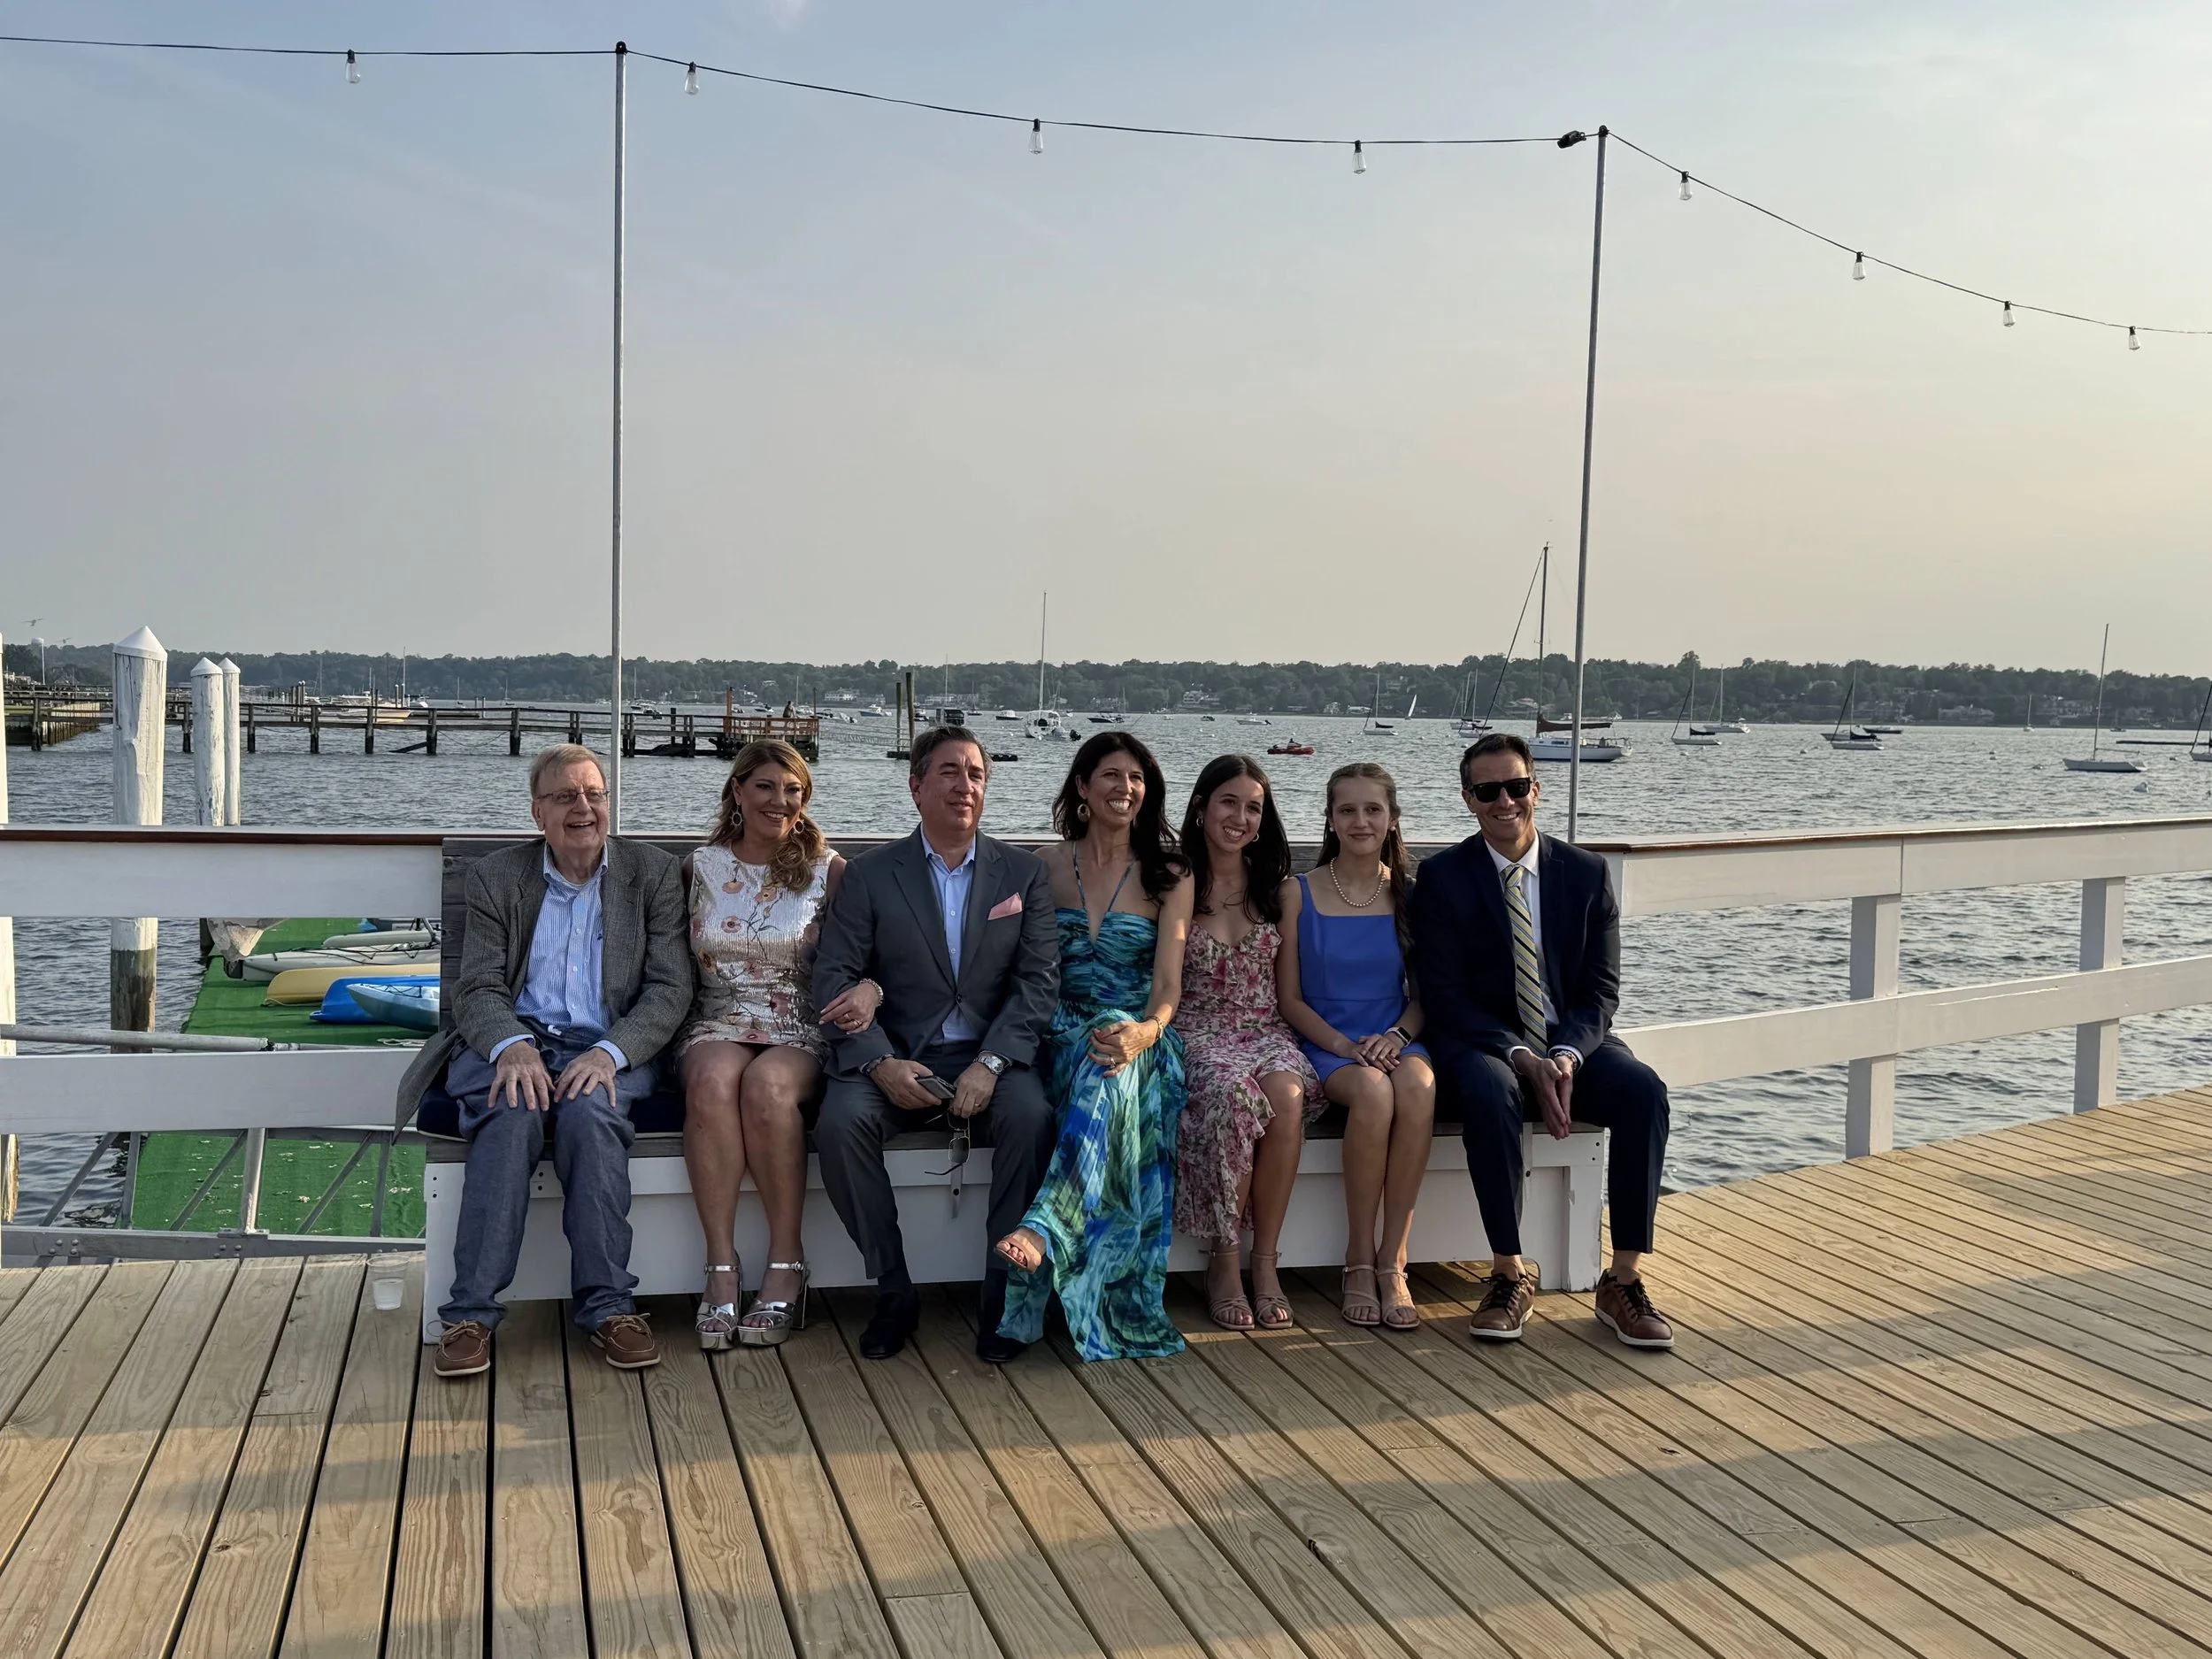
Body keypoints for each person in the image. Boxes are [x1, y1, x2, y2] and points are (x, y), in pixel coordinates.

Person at [396, 744, 691, 1378]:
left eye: (594, 794)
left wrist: (610, 1054)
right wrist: (513, 1045)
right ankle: (469, 1315)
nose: (583, 808)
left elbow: (670, 989)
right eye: (565, 797)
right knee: (510, 1113)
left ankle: (611, 1307)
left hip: (608, 1044)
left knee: (590, 1113)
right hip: (515, 1042)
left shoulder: (654, 875)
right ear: (538, 813)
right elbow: (475, 987)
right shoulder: (498, 876)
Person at [1409, 733, 1673, 1348]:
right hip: (1484, 1043)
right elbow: (1444, 994)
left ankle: (1623, 1279)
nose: (1505, 800)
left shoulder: (1584, 874)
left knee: (1642, 1090)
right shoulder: (1443, 879)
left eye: (1517, 786)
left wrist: (1564, 1054)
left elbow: (1601, 992)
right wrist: (1523, 1055)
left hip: (1570, 1043)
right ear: (1469, 799)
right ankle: (1507, 1271)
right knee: (1487, 1084)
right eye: (1488, 790)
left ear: (1537, 788)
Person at [810, 726, 1060, 1363]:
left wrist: (993, 1061)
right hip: (895, 1052)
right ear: (917, 786)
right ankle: (893, 1289)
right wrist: (881, 1060)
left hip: (990, 1057)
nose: (965, 785)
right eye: (949, 772)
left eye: (975, 773)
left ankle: (1002, 1294)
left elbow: (1037, 985)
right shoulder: (869, 875)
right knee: (841, 1125)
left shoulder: (1024, 875)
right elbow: (833, 976)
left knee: (1031, 1117)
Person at [995, 733, 1193, 1361]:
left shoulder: (1170, 874)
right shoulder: (1043, 866)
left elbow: (1167, 986)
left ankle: (1044, 1226)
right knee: (1099, 1053)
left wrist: (1144, 1031)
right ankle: (1048, 1233)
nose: (1124, 788)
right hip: (1060, 1034)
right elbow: (1014, 966)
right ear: (1082, 787)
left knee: (1112, 1045)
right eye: (1109, 775)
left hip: (1144, 1041)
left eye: (1135, 777)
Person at [680, 741, 879, 1350]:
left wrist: (870, 988)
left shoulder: (829, 868)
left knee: (766, 1086)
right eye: (766, 786)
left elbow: (874, 959)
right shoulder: (700, 867)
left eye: (793, 789)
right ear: (738, 791)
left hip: (799, 1020)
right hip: (717, 1016)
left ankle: (786, 1262)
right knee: (714, 1081)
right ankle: (720, 1267)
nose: (780, 800)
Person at [1278, 762, 1434, 1332]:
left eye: (1373, 809)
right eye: (1348, 810)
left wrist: (1396, 1037)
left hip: (1394, 1039)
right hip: (1326, 1042)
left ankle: (1395, 1262)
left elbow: (1424, 996)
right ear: (1330, 818)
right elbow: (1290, 1000)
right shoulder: (1297, 892)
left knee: (1418, 1085)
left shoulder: (1411, 897)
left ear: (1392, 819)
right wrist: (1347, 1045)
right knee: (1371, 1093)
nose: (1361, 820)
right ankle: (1358, 1260)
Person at [1172, 755, 1318, 1331]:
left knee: (1285, 1094)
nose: (1240, 816)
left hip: (1265, 1030)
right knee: (1234, 1096)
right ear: (1202, 807)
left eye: (1253, 807)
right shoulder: (1176, 881)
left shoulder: (1279, 891)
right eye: (1228, 802)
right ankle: (1223, 1261)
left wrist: (1345, 1046)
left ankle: (1265, 1261)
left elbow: (1289, 997)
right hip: (1195, 1030)